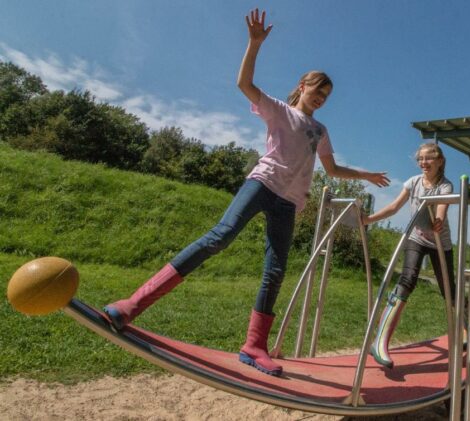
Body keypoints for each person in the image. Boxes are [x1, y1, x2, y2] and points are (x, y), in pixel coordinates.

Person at [103, 8, 390, 377]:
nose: (321, 98)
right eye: (318, 90)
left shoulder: (320, 130)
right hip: (262, 183)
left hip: (289, 202)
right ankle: (132, 305)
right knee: (220, 237)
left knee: (276, 270)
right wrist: (254, 44)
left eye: (327, 95)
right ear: (303, 85)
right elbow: (244, 83)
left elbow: (331, 168)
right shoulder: (279, 110)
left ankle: (254, 346)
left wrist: (365, 175)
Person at [363, 142, 453, 369]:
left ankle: (464, 328)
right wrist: (369, 219)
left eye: (429, 158)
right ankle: (380, 341)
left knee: (449, 289)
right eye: (420, 159)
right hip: (416, 238)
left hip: (440, 243)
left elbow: (441, 208)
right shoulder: (413, 182)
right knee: (407, 279)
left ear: (440, 161)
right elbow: (394, 207)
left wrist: (438, 221)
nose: (424, 162)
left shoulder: (445, 186)